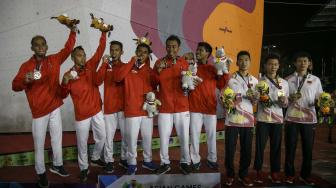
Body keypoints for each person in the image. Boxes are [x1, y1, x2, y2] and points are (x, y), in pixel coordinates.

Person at [12, 25, 76, 187]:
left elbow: (68, 49)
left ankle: (57, 164)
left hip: (54, 106)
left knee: (57, 138)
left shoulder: (54, 59)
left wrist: (73, 31)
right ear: (32, 48)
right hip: (39, 112)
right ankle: (40, 172)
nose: (40, 47)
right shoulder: (26, 66)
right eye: (37, 45)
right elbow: (15, 86)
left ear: (47, 47)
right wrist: (26, 79)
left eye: (43, 44)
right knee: (39, 144)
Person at [59, 31, 107, 182]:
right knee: (82, 143)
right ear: (73, 58)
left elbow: (100, 50)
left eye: (84, 55)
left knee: (102, 137)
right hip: (82, 114)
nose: (83, 57)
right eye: (79, 55)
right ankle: (84, 168)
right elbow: (62, 95)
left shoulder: (91, 65)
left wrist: (103, 34)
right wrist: (65, 81)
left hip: (97, 110)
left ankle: (95, 157)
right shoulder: (68, 74)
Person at [114, 37, 158, 175]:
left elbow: (156, 86)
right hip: (132, 110)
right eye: (139, 51)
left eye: (145, 52)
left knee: (147, 138)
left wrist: (153, 102)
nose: (141, 54)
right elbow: (117, 78)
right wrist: (132, 62)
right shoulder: (126, 68)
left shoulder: (149, 71)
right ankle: (132, 163)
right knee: (131, 140)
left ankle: (147, 160)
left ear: (148, 55)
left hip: (146, 112)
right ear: (135, 52)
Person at [153, 35, 192, 175]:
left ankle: (185, 162)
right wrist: (158, 72)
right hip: (165, 108)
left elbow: (191, 84)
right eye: (168, 46)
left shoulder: (185, 63)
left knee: (184, 137)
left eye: (174, 46)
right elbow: (152, 84)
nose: (171, 49)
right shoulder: (159, 63)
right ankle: (165, 163)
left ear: (179, 47)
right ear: (165, 47)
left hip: (182, 107)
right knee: (163, 138)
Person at [284, 51, 323, 186]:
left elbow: (320, 97)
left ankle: (305, 175)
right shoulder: (288, 79)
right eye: (299, 61)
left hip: (309, 119)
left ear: (309, 63)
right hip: (292, 118)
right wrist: (289, 98)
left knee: (308, 149)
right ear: (295, 63)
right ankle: (289, 175)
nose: (302, 63)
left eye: (305, 61)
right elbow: (283, 99)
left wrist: (321, 102)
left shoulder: (316, 80)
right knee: (290, 148)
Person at [189, 42, 229, 171]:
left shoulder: (213, 68)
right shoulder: (191, 67)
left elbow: (222, 84)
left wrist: (225, 71)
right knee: (194, 135)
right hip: (194, 108)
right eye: (197, 49)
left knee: (211, 136)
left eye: (201, 50)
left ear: (208, 53)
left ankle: (212, 159)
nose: (197, 52)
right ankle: (195, 159)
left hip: (210, 108)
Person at [224, 51, 258, 187]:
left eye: (246, 60)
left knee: (247, 149)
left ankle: (244, 175)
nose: (244, 62)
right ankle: (230, 175)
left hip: (248, 120)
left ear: (250, 62)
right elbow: (223, 97)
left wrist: (254, 99)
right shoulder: (230, 79)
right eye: (241, 60)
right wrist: (228, 102)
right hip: (232, 119)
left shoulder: (255, 81)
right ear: (237, 63)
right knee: (230, 149)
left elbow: (255, 103)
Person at [253, 54, 289, 184]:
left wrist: (284, 101)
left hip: (277, 120)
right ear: (265, 66)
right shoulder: (259, 82)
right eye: (270, 64)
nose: (273, 66)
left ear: (279, 66)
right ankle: (258, 171)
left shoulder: (284, 83)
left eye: (275, 64)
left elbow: (285, 104)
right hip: (263, 119)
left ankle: (274, 172)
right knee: (260, 147)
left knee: (276, 147)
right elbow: (254, 101)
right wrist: (257, 97)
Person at [96, 41, 128, 173]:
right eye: (112, 50)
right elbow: (97, 81)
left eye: (117, 50)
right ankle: (109, 160)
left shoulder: (126, 66)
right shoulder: (105, 66)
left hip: (123, 108)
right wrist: (103, 64)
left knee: (126, 136)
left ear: (122, 52)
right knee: (109, 137)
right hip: (109, 107)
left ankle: (124, 158)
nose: (114, 52)